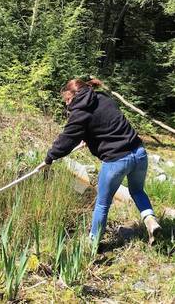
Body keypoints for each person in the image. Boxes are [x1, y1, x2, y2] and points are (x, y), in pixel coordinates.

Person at [40, 78, 161, 245]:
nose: (67, 105)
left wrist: (49, 158)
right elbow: (107, 125)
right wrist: (88, 137)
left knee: (102, 203)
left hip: (117, 160)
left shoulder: (79, 112)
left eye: (67, 100)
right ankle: (149, 218)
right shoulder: (103, 98)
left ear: (75, 95)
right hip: (139, 153)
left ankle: (93, 243)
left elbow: (66, 139)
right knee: (138, 191)